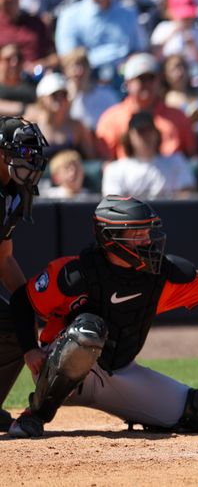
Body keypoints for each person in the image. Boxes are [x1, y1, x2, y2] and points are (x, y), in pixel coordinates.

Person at [6, 194, 198, 437]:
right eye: (137, 233)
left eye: (147, 232)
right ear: (112, 238)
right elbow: (22, 301)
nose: (147, 239)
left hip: (118, 372)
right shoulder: (73, 274)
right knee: (88, 330)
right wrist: (30, 349)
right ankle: (35, 415)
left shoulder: (163, 274)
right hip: (61, 372)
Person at [0, 116, 48, 431]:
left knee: (18, 327)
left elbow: (4, 259)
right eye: (22, 154)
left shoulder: (12, 193)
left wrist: (27, 305)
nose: (29, 163)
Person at [55, 0, 146, 83]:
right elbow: (69, 57)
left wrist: (128, 67)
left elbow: (139, 50)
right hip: (87, 82)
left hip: (125, 79)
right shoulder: (69, 16)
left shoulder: (129, 13)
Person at [96, 52, 197, 160]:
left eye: (151, 78)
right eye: (141, 79)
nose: (146, 84)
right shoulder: (111, 119)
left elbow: (192, 157)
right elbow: (106, 162)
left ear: (159, 81)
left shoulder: (177, 116)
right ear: (127, 83)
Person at [102, 111, 196, 198]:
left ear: (156, 134)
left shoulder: (176, 162)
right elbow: (114, 207)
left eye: (149, 130)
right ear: (129, 137)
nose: (146, 136)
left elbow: (187, 198)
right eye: (141, 132)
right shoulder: (114, 170)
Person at [23, 71, 97, 159]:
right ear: (42, 99)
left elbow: (91, 157)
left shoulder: (76, 126)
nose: (60, 99)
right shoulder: (30, 127)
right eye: (54, 95)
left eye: (63, 94)